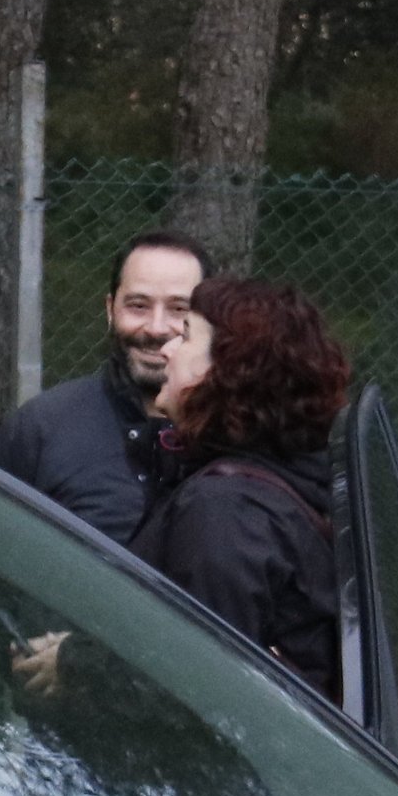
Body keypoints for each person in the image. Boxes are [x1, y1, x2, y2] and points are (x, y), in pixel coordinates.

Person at [129, 276, 349, 698]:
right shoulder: (274, 491)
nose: (166, 350)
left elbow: (194, 685)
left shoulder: (225, 511)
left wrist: (74, 667)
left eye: (186, 337)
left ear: (230, 371)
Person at [0, 231, 209, 539]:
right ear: (110, 309)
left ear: (205, 321)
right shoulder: (42, 429)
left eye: (179, 309)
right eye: (138, 305)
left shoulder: (235, 436)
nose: (157, 328)